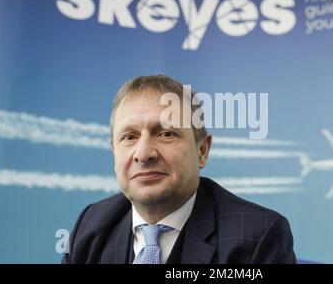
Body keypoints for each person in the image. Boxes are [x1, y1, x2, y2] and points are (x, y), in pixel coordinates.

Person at [62, 74, 296, 264]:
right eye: (129, 137)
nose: (144, 153)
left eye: (166, 133)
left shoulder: (257, 236)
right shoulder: (91, 225)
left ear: (202, 151)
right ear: (114, 151)